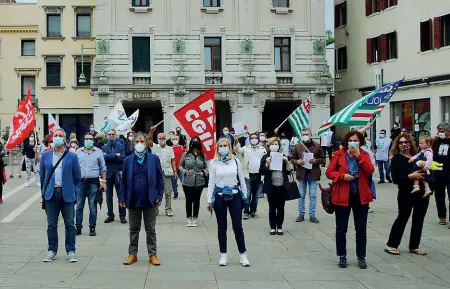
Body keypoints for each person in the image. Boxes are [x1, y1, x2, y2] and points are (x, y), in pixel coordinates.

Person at [325, 130, 374, 269]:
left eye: (356, 140)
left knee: (361, 229)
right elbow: (329, 172)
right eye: (351, 140)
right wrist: (341, 176)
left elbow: (370, 170)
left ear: (360, 142)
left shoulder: (364, 154)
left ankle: (361, 257)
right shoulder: (338, 154)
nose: (353, 142)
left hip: (360, 195)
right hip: (342, 195)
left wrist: (359, 157)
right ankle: (342, 255)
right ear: (347, 142)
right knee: (341, 228)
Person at [119, 132, 164, 266]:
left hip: (150, 199)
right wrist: (122, 197)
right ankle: (132, 254)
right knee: (133, 229)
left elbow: (160, 179)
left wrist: (159, 195)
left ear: (146, 143)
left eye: (141, 141)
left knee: (150, 229)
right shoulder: (128, 160)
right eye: (137, 141)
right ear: (133, 144)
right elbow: (124, 181)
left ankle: (153, 254)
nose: (139, 144)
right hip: (133, 199)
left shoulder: (153, 158)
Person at [207, 138, 250, 267]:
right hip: (220, 196)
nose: (223, 147)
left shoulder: (235, 161)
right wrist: (209, 200)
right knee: (221, 226)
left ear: (230, 147)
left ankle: (243, 254)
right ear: (217, 148)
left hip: (235, 196)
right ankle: (223, 254)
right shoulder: (214, 163)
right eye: (221, 146)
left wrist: (245, 196)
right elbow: (211, 182)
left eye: (226, 145)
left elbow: (241, 180)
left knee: (238, 226)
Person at [40, 128, 81, 263]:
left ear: (65, 139)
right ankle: (52, 250)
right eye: (55, 135)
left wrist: (69, 187)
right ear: (52, 138)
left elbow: (77, 177)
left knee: (69, 224)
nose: (57, 137)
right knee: (51, 224)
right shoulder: (46, 155)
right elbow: (42, 176)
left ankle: (71, 251)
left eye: (60, 136)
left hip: (67, 194)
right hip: (51, 194)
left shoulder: (72, 156)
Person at [385, 133, 429, 256]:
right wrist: (410, 176)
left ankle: (414, 246)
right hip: (406, 193)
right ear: (397, 145)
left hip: (422, 193)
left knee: (418, 219)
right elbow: (395, 179)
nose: (404, 144)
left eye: (406, 142)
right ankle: (391, 244)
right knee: (402, 218)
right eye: (401, 142)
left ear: (411, 143)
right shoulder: (396, 159)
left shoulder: (419, 156)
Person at [75, 133, 107, 236]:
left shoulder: (98, 152)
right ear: (83, 140)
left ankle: (92, 227)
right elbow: (74, 167)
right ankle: (78, 227)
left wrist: (104, 182)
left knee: (92, 205)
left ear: (93, 140)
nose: (88, 140)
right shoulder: (78, 152)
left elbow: (103, 168)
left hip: (93, 182)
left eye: (90, 139)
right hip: (80, 182)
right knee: (79, 205)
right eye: (86, 139)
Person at [291, 128, 325, 223]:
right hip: (302, 173)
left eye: (306, 134)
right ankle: (301, 214)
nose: (305, 136)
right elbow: (292, 158)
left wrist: (316, 161)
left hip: (313, 174)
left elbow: (323, 159)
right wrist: (297, 161)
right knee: (301, 195)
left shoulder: (317, 146)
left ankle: (312, 215)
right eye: (303, 134)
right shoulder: (297, 146)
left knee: (313, 195)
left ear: (310, 135)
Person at [259, 137, 290, 235]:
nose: (274, 146)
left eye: (276, 144)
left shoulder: (283, 156)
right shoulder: (265, 157)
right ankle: (273, 227)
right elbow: (262, 171)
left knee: (281, 207)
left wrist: (287, 161)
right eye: (272, 144)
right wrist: (267, 164)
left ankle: (279, 226)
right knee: (272, 207)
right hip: (271, 185)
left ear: (279, 146)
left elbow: (289, 171)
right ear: (268, 146)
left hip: (282, 185)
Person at [234, 132, 266, 219]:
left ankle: (253, 211)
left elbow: (265, 162)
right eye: (252, 138)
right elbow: (237, 151)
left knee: (256, 195)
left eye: (255, 138)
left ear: (258, 139)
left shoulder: (263, 149)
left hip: (259, 175)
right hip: (248, 175)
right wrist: (236, 142)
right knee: (247, 194)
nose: (254, 139)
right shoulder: (246, 148)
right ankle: (246, 212)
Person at [179, 136, 208, 227]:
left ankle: (195, 217)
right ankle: (189, 217)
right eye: (193, 141)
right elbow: (180, 166)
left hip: (199, 181)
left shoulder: (203, 156)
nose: (195, 143)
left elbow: (206, 168)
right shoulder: (185, 155)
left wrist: (204, 172)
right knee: (188, 200)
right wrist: (185, 172)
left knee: (196, 200)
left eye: (197, 141)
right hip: (188, 181)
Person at [149, 126, 177, 216]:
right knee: (155, 191)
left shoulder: (170, 148)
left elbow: (173, 160)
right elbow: (149, 141)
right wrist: (151, 132)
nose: (162, 140)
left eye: (163, 138)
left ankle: (168, 209)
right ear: (157, 139)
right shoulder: (155, 147)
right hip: (157, 173)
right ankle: (155, 209)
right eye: (160, 138)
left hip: (167, 173)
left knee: (168, 192)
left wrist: (175, 171)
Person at [102, 129, 127, 224]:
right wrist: (115, 155)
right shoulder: (103, 147)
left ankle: (122, 215)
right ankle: (110, 215)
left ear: (116, 135)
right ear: (106, 136)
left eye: (113, 134)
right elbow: (104, 158)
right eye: (109, 134)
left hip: (118, 174)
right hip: (108, 175)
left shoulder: (121, 146)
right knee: (109, 197)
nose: (111, 136)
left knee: (121, 195)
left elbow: (123, 158)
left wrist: (111, 156)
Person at [433, 122, 450, 225]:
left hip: (449, 171)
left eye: (442, 131)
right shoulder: (437, 141)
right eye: (438, 131)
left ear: (448, 132)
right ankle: (442, 216)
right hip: (438, 171)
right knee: (439, 195)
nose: (440, 133)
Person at [171, 134, 185, 199]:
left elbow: (185, 157)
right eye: (173, 139)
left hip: (181, 167)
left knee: (183, 181)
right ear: (171, 140)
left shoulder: (182, 147)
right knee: (174, 181)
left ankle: (186, 193)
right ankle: (175, 193)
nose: (175, 140)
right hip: (173, 168)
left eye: (176, 139)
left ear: (178, 140)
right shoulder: (170, 148)